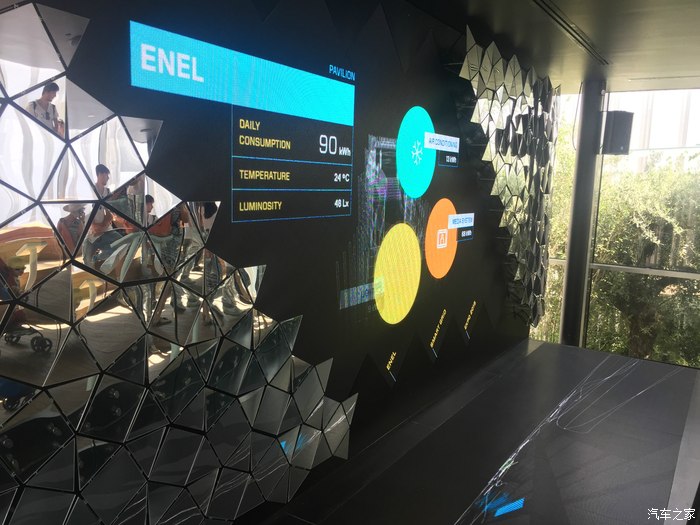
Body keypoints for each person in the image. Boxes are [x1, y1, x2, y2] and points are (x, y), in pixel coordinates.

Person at [82, 164, 122, 268]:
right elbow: (86, 213)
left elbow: (109, 213)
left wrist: (103, 225)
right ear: (99, 174)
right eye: (106, 175)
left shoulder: (107, 192)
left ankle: (98, 258)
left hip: (105, 230)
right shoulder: (90, 190)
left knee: (122, 244)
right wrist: (95, 226)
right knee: (86, 262)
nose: (108, 178)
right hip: (91, 233)